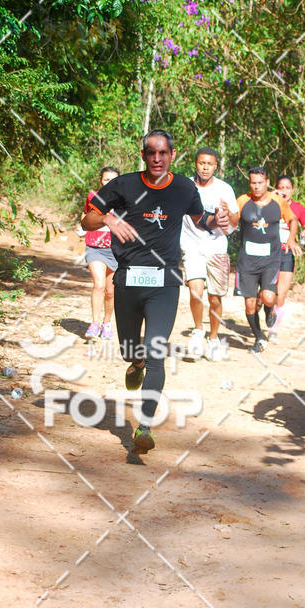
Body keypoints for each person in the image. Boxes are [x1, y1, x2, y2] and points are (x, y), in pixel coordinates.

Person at [81, 129, 228, 453]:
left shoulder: (184, 187)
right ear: (144, 155)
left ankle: (144, 426)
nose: (157, 159)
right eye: (151, 153)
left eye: (163, 153)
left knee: (156, 351)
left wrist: (216, 221)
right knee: (131, 350)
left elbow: (200, 219)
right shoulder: (124, 185)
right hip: (128, 279)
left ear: (172, 155)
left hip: (165, 281)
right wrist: (108, 220)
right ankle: (135, 364)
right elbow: (87, 220)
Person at [230, 167, 299, 353]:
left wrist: (291, 240)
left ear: (267, 182)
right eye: (253, 183)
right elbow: (233, 223)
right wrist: (227, 214)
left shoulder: (278, 201)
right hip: (247, 261)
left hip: (271, 260)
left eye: (260, 183)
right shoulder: (242, 201)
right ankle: (259, 337)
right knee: (250, 303)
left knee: (268, 297)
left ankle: (270, 310)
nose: (256, 187)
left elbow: (293, 220)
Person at [180, 147, 239, 361]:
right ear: (195, 164)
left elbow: (235, 221)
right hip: (191, 245)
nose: (205, 167)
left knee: (215, 297)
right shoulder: (185, 186)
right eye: (201, 163)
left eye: (210, 164)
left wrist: (228, 213)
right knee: (195, 290)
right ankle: (198, 331)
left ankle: (213, 338)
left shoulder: (224, 189)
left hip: (217, 248)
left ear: (216, 166)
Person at [79, 166, 120, 340]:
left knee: (110, 291)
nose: (109, 183)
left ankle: (107, 323)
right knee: (99, 285)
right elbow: (85, 215)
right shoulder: (93, 197)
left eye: (113, 180)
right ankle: (95, 324)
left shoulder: (124, 200)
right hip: (94, 247)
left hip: (115, 249)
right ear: (100, 181)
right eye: (106, 179)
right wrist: (82, 228)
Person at [272, 174, 305, 338]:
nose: (284, 191)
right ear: (276, 189)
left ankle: (273, 329)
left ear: (293, 190)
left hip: (286, 252)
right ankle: (268, 312)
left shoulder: (298, 208)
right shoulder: (270, 203)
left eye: (287, 188)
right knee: (266, 294)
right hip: (267, 252)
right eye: (281, 188)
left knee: (281, 294)